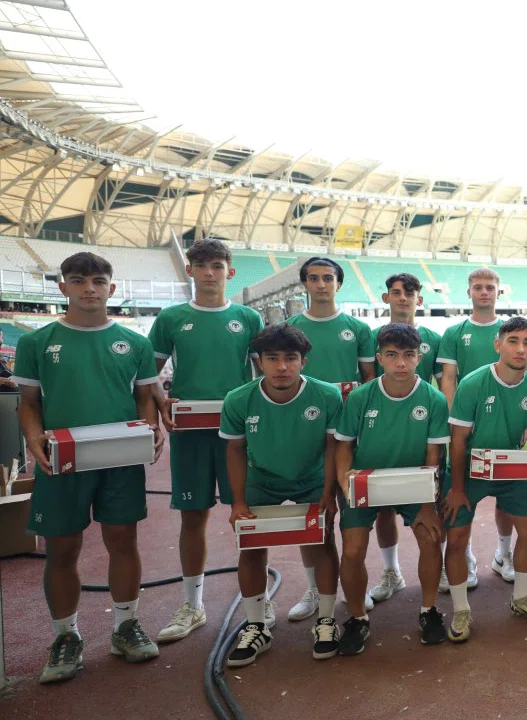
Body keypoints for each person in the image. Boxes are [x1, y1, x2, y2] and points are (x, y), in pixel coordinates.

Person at [14, 252, 164, 684]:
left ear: (111, 289)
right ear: (63, 287)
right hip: (61, 459)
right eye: (78, 280)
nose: (89, 289)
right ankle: (66, 636)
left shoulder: (134, 343)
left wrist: (150, 428)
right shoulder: (36, 343)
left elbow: (143, 399)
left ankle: (125, 626)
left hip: (119, 458)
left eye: (98, 281)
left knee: (123, 541)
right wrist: (33, 438)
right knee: (62, 550)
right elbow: (28, 403)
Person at [150, 240, 265, 643]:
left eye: (217, 265)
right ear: (190, 271)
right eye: (201, 266)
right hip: (190, 434)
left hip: (237, 435)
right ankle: (192, 604)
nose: (209, 273)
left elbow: (264, 373)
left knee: (247, 514)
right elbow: (149, 373)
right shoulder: (171, 318)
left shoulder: (248, 318)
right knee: (193, 516)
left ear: (230, 272)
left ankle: (258, 600)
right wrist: (162, 403)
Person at [220, 324, 343, 667]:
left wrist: (329, 493)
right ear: (259, 362)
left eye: (290, 358)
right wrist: (238, 502)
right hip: (262, 480)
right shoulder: (238, 399)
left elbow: (332, 447)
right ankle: (257, 625)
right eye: (272, 358)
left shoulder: (327, 395)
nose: (282, 366)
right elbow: (234, 450)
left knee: (324, 541)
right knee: (250, 545)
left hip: (312, 478)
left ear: (304, 361)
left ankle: (326, 619)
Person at [334, 323, 451, 654]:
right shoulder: (360, 397)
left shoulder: (433, 398)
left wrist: (427, 504)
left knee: (431, 537)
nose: (401, 363)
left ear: (419, 358)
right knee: (352, 549)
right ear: (379, 357)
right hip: (366, 482)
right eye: (392, 355)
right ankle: (357, 618)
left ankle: (429, 610)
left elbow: (433, 456)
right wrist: (345, 483)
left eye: (409, 355)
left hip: (413, 482)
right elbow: (343, 446)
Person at [441, 317, 527, 641]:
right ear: (498, 345)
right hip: (469, 469)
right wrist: (457, 488)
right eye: (513, 341)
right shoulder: (474, 383)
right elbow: (458, 440)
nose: (520, 348)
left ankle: (521, 597)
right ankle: (461, 609)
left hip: (510, 467)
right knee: (457, 537)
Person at [280, 257, 377, 621]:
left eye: (328, 278)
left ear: (339, 283)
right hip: (305, 434)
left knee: (353, 512)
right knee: (314, 512)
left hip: (348, 436)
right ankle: (314, 588)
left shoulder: (358, 328)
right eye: (314, 278)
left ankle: (356, 585)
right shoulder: (290, 328)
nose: (321, 284)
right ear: (304, 284)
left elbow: (369, 381)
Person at [363, 273, 443, 606]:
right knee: (383, 508)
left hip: (421, 429)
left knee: (432, 500)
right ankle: (391, 571)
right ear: (386, 298)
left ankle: (444, 568)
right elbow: (368, 381)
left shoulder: (434, 338)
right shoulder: (371, 336)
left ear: (418, 299)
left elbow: (442, 382)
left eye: (408, 293)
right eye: (395, 292)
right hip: (381, 431)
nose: (402, 298)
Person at [437, 267, 504, 588]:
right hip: (467, 422)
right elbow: (449, 378)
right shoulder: (455, 332)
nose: (484, 292)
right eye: (478, 287)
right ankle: (464, 556)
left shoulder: (510, 330)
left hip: (503, 421)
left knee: (507, 488)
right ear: (469, 292)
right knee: (459, 487)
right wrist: (456, 419)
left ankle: (504, 554)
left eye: (489, 287)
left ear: (498, 292)